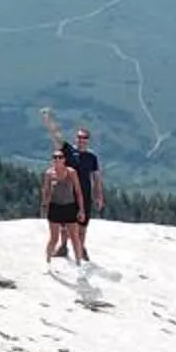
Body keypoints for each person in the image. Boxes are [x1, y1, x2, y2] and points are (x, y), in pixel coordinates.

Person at [42, 108, 104, 265]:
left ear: (88, 140)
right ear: (76, 139)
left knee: (82, 226)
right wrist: (48, 120)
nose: (81, 140)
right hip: (68, 194)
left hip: (85, 193)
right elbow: (56, 136)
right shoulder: (69, 152)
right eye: (79, 137)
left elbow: (96, 178)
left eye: (84, 138)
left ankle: (80, 248)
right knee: (65, 225)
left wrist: (99, 196)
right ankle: (64, 247)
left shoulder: (92, 157)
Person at [38, 144, 89, 264]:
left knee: (74, 237)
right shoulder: (49, 173)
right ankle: (48, 261)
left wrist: (81, 210)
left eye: (60, 157)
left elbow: (78, 191)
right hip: (55, 206)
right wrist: (44, 205)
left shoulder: (71, 172)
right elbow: (45, 191)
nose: (57, 159)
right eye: (55, 157)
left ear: (64, 159)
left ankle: (78, 263)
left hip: (70, 206)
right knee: (54, 238)